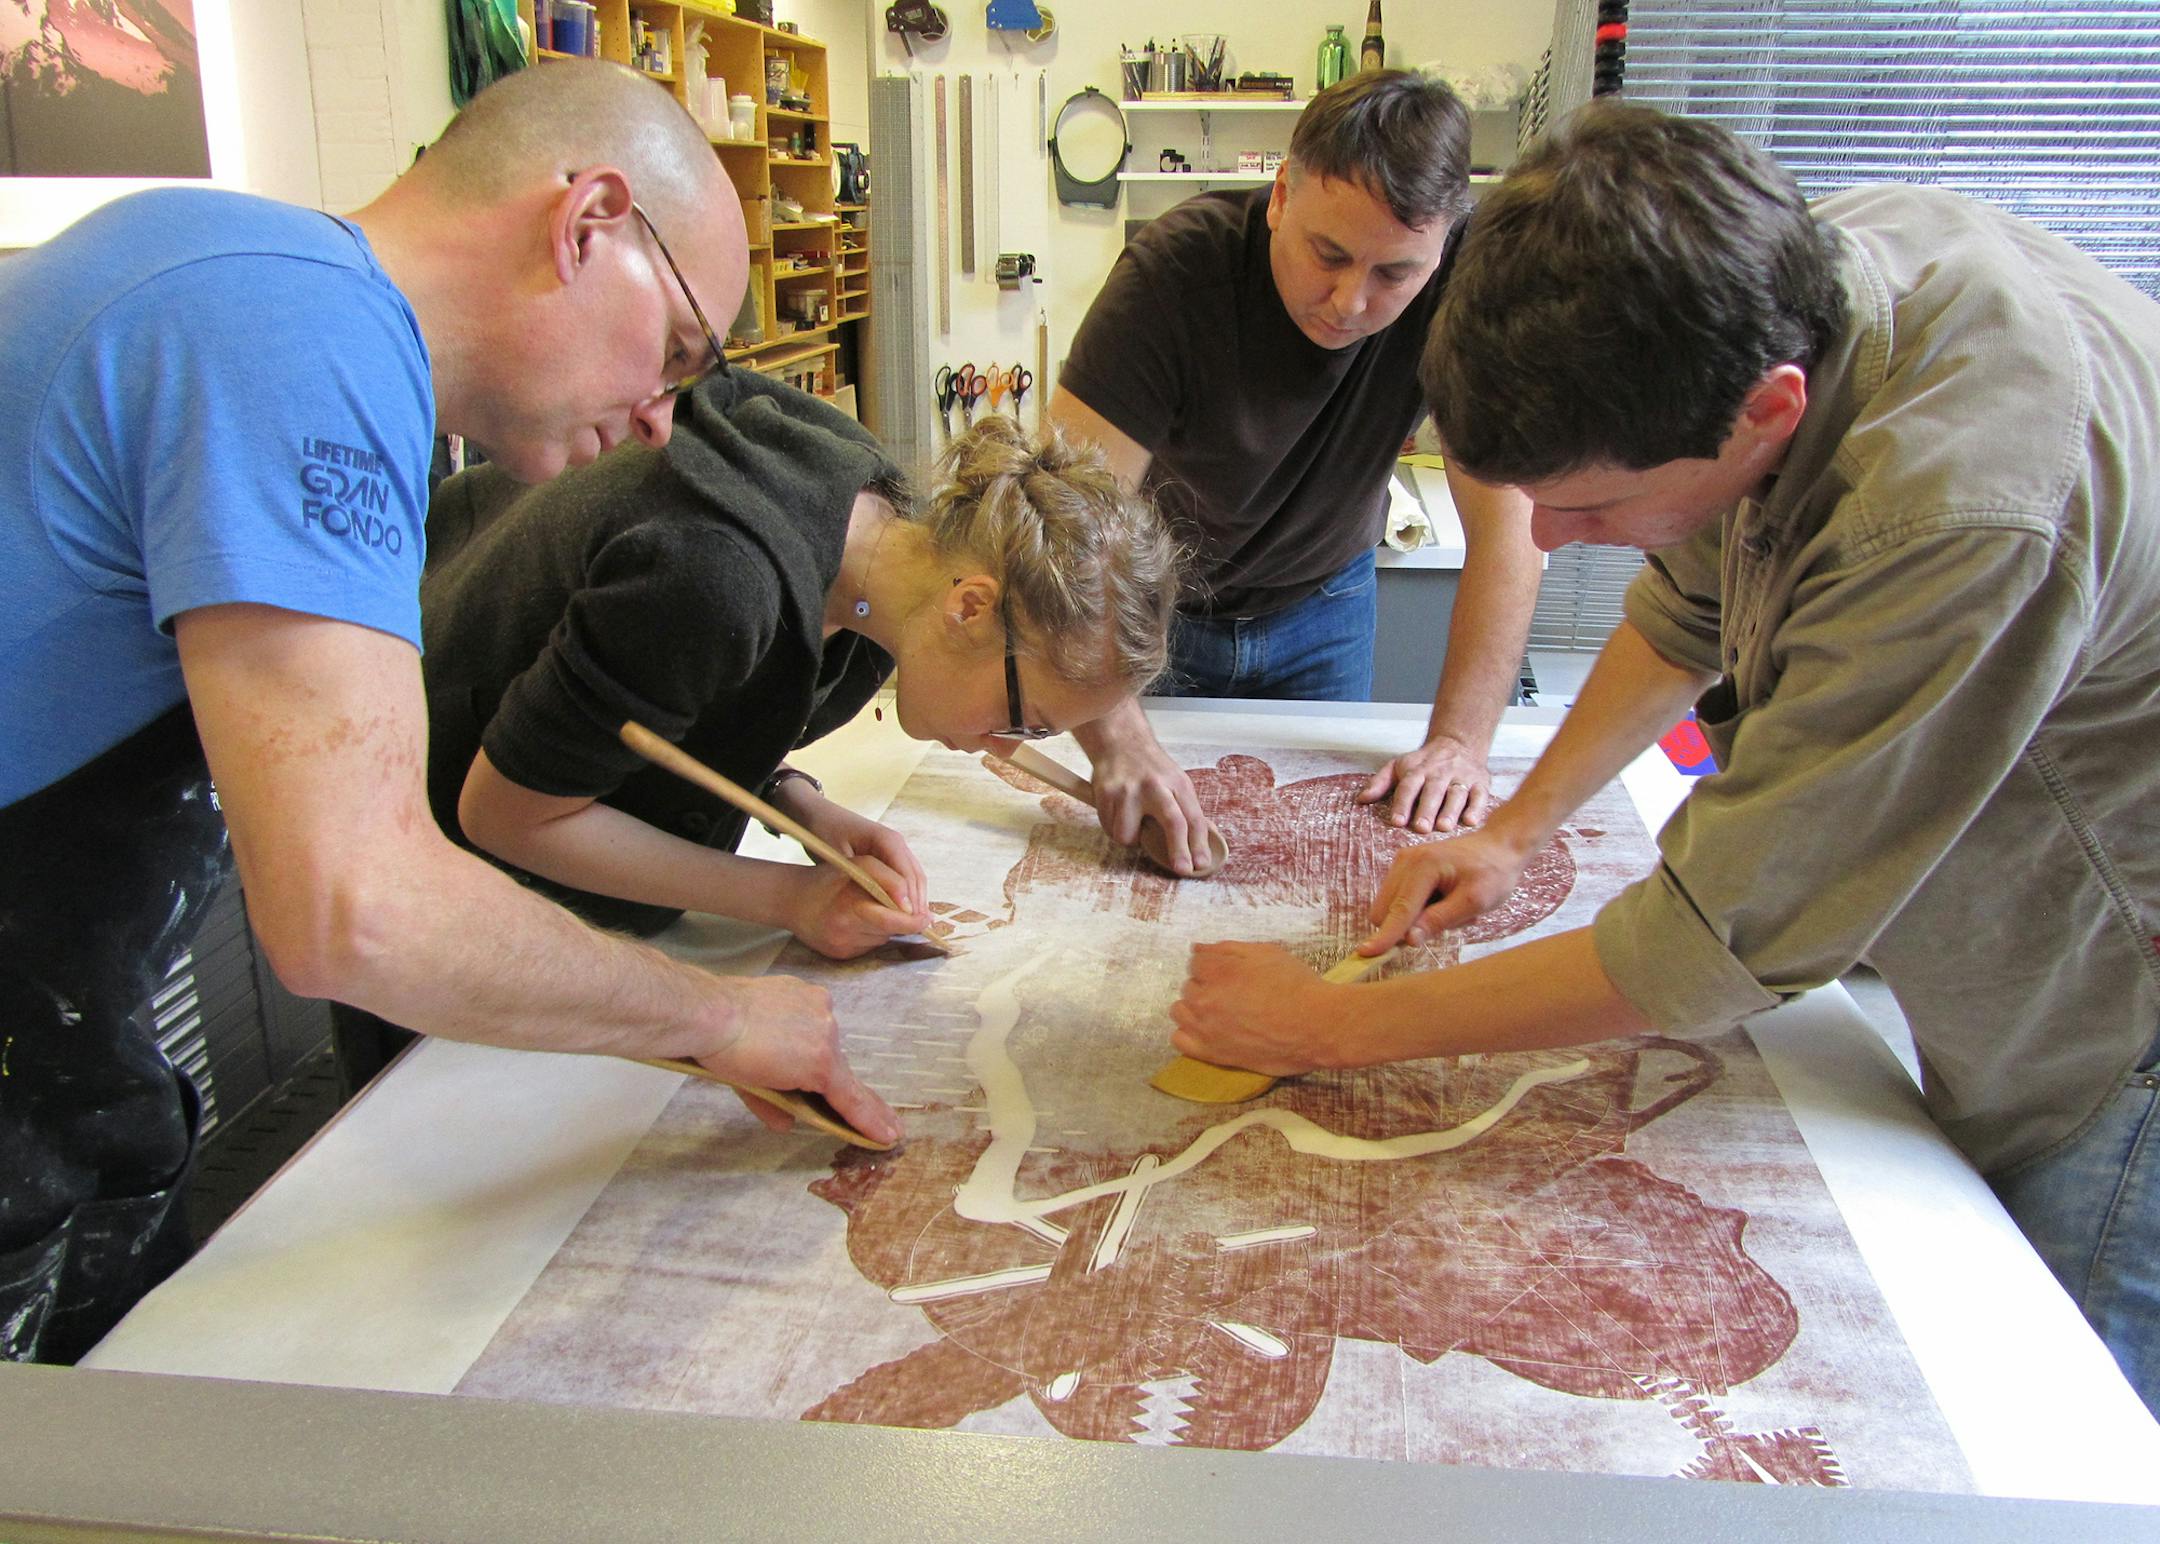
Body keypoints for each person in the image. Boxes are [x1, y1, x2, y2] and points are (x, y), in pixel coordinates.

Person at [1168, 101, 2160, 1413]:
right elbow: (1688, 609)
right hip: (1995, 907)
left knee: (2046, 1415)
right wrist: (1513, 827)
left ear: (1767, 413)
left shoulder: (1955, 508)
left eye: (1589, 504)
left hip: (2115, 1011)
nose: (1557, 541)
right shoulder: (1775, 287)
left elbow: (1711, 943)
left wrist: (1336, 1024)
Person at [0, 58, 898, 1366]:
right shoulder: (302, 345)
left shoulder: (255, 280)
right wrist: (717, 1018)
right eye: (677, 349)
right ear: (589, 221)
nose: (661, 419)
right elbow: (354, 907)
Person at [419, 386, 1177, 949]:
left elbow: (671, 703)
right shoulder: (720, 578)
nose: (1003, 747)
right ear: (971, 608)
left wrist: (795, 805)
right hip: (422, 822)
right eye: (1024, 719)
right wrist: (789, 898)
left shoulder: (874, 554)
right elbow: (504, 814)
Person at [1046, 69, 1545, 875]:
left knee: (1315, 855)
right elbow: (1069, 529)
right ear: (1281, 195)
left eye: (1395, 275)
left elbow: (1510, 524)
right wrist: (1117, 737)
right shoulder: (1173, 277)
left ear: (1444, 244)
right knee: (1154, 844)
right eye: (1329, 253)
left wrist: (1459, 740)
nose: (1350, 302)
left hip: (1324, 605)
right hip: (1158, 613)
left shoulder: (1462, 293)